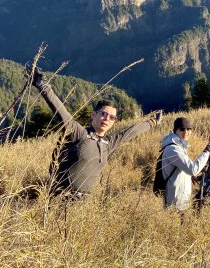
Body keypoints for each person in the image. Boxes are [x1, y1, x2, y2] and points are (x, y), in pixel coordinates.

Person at [28, 67, 163, 198]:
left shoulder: (108, 143)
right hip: (60, 200)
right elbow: (61, 111)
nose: (107, 119)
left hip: (83, 205)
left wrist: (153, 122)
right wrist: (41, 84)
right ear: (93, 115)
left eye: (112, 117)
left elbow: (131, 132)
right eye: (103, 114)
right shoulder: (79, 133)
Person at [160, 117, 210, 210]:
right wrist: (206, 152)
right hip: (175, 204)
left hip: (180, 201)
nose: (186, 132)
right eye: (182, 129)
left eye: (189, 129)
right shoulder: (173, 149)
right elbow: (193, 169)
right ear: (175, 131)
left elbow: (182, 169)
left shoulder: (180, 147)